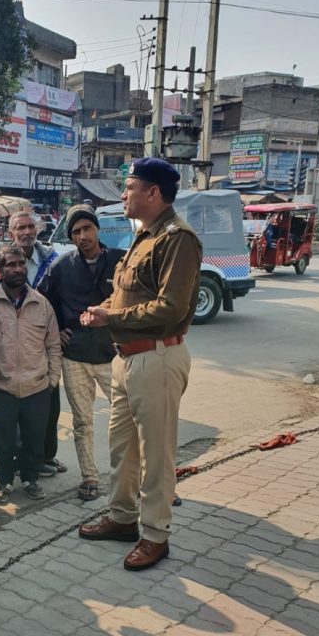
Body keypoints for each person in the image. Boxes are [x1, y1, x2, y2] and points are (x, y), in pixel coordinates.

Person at [78, 158, 202, 571]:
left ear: (153, 193)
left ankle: (155, 534)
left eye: (130, 186)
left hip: (158, 356)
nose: (124, 193)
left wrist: (111, 318)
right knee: (122, 448)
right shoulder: (143, 237)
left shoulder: (177, 238)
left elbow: (170, 307)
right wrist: (104, 309)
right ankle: (122, 517)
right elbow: (128, 294)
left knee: (157, 452)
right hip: (127, 358)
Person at [39, 205, 125, 501]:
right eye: (76, 231)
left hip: (114, 354)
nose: (83, 235)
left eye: (87, 228)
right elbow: (42, 304)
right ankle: (90, 476)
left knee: (128, 417)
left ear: (98, 229)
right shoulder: (61, 267)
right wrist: (58, 329)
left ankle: (132, 477)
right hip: (74, 355)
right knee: (82, 421)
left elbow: (139, 297)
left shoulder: (120, 261)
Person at [0, 245, 61, 505]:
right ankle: (4, 482)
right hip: (2, 387)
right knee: (3, 442)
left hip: (37, 387)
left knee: (34, 438)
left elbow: (53, 345)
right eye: (10, 265)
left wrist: (52, 380)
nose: (17, 269)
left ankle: (30, 479)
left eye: (21, 264)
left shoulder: (42, 304)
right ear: (0, 270)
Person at [7, 211, 65, 478]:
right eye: (21, 228)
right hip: (18, 346)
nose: (27, 231)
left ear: (38, 229)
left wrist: (63, 329)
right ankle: (24, 462)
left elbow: (64, 297)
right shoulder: (6, 261)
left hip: (46, 340)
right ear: (12, 233)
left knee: (49, 406)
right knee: (20, 413)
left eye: (31, 226)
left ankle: (45, 456)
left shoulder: (52, 259)